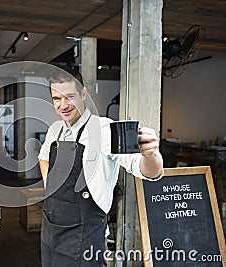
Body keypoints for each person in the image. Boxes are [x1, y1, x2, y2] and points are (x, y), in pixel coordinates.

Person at [38, 69, 163, 267]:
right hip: (51, 231)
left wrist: (152, 155)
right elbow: (43, 158)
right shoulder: (55, 130)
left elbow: (148, 171)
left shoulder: (105, 130)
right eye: (56, 99)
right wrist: (50, 187)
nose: (63, 105)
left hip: (85, 236)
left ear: (83, 94)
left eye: (69, 97)